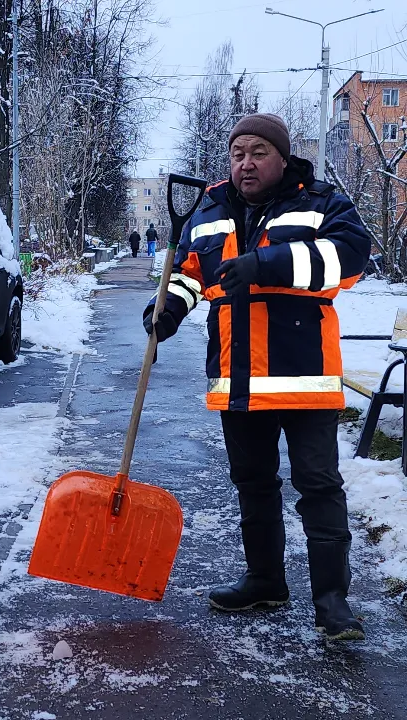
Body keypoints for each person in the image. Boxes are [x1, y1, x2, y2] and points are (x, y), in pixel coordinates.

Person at [142, 113, 371, 641]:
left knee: (318, 487)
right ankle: (266, 580)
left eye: (258, 152)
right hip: (237, 378)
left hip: (305, 376)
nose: (246, 162)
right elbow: (189, 273)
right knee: (253, 485)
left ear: (282, 158)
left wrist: (267, 264)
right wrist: (169, 310)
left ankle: (333, 602)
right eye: (238, 152)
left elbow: (352, 257)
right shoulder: (210, 208)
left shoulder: (320, 203)